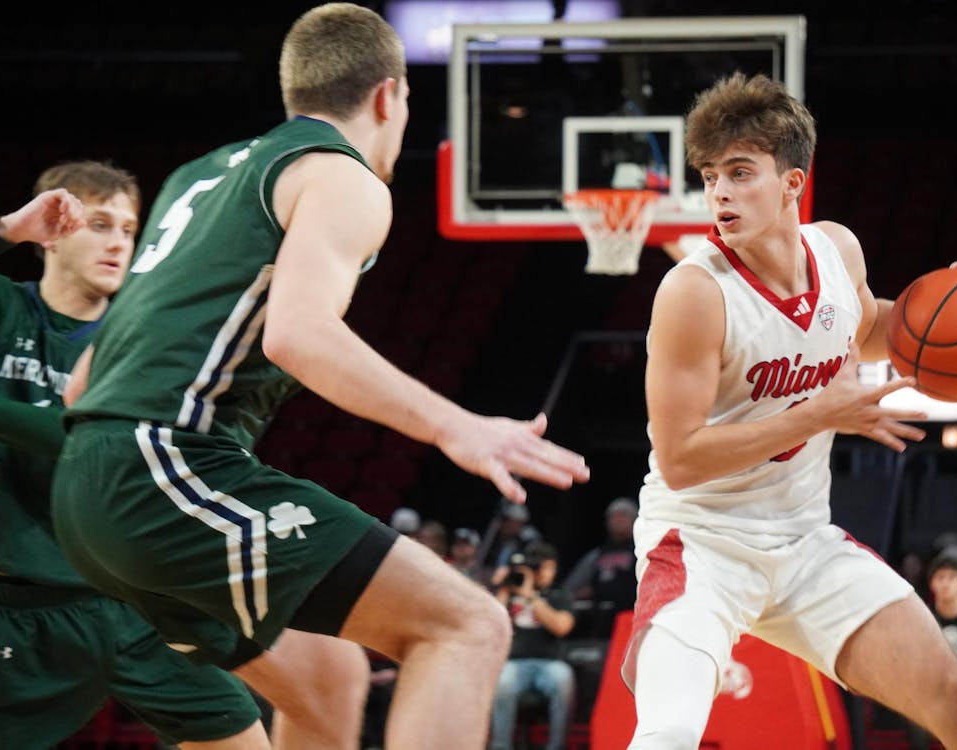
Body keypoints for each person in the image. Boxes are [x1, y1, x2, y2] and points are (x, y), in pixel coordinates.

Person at [48, 5, 590, 750]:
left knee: (332, 678)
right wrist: (456, 425)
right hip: (159, 467)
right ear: (388, 97)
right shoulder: (344, 177)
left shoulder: (195, 178)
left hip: (88, 485)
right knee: (465, 623)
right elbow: (299, 335)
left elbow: (83, 378)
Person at [624, 71, 957, 750]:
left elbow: (867, 325)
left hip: (803, 542)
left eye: (740, 172)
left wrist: (939, 310)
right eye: (709, 176)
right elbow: (679, 462)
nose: (720, 193)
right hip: (702, 543)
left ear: (792, 183)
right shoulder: (694, 293)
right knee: (668, 733)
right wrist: (819, 414)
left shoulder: (837, 248)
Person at [0, 164, 269, 749]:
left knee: (238, 736)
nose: (118, 241)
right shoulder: (1, 309)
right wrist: (4, 230)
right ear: (53, 232)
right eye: (99, 223)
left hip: (125, 602)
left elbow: (93, 444)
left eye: (130, 228)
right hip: (9, 607)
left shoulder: (146, 338)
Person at [489, 540, 576, 750]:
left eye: (550, 568)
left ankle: (557, 746)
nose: (546, 573)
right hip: (513, 663)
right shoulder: (510, 591)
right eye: (542, 567)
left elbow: (562, 627)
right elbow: (492, 625)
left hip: (549, 663)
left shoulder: (558, 593)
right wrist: (502, 588)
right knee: (502, 681)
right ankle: (501, 746)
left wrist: (531, 596)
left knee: (564, 678)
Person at [905, 550, 957, 749]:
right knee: (910, 701)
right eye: (940, 578)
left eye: (952, 578)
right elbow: (918, 662)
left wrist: (955, 674)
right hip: (935, 684)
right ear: (932, 583)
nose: (946, 583)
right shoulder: (924, 615)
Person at [561, 496, 638, 637]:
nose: (618, 520)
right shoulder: (597, 554)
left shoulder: (641, 551)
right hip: (600, 623)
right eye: (614, 516)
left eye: (624, 515)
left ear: (635, 520)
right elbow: (569, 589)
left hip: (631, 619)